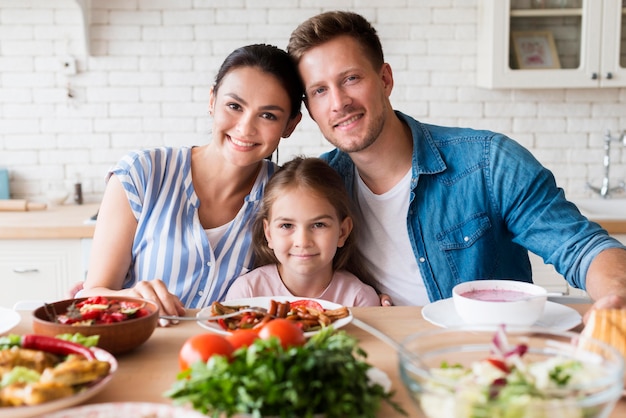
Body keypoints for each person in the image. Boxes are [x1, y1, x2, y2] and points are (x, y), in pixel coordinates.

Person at [287, 11, 626, 316]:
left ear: (385, 80)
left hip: (487, 354)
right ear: (308, 109)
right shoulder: (320, 186)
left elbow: (582, 247)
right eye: (319, 91)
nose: (339, 103)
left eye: (351, 79)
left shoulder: (489, 162)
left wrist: (616, 296)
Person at [79, 44, 304, 318]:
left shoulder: (286, 196)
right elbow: (90, 296)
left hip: (229, 356)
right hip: (141, 350)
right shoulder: (142, 173)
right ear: (212, 101)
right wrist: (130, 299)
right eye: (234, 106)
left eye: (268, 115)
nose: (245, 128)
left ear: (290, 125)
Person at [225, 157, 380, 307]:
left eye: (319, 225)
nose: (303, 241)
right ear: (269, 234)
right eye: (286, 225)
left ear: (342, 232)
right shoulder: (247, 293)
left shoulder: (359, 299)